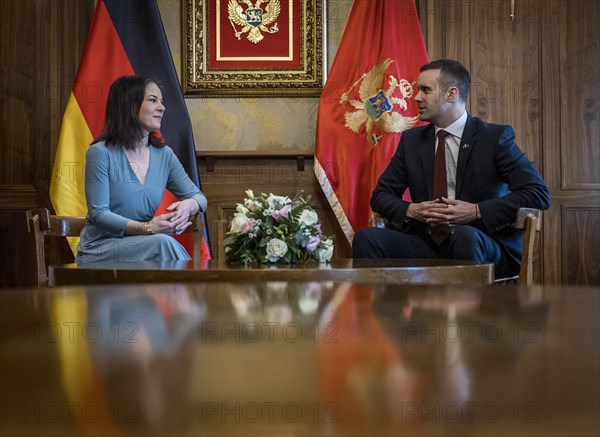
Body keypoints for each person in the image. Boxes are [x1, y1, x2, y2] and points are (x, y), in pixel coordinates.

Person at [352, 59, 550, 278]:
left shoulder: (493, 138)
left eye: (425, 90)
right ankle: (386, 313)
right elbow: (381, 195)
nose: (416, 97)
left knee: (465, 236)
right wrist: (412, 210)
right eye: (418, 90)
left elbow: (538, 194)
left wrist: (476, 210)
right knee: (366, 238)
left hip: (482, 242)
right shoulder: (411, 142)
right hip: (427, 243)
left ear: (451, 94)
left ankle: (466, 313)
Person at [76, 75, 207, 263]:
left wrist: (188, 206)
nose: (162, 108)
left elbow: (199, 198)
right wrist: (147, 228)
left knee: (161, 244)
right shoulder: (100, 153)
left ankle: (191, 290)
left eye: (161, 102)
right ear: (129, 105)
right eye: (153, 100)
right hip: (100, 249)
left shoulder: (164, 155)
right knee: (162, 243)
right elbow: (98, 214)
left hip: (146, 249)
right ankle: (198, 289)